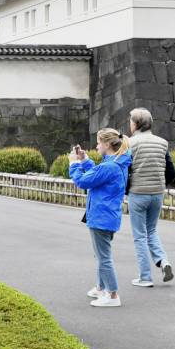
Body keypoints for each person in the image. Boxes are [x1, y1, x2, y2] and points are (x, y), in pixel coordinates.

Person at [70, 128, 132, 308]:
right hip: (107, 216)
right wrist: (85, 160)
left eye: (98, 143)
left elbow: (83, 181)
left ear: (106, 144)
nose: (96, 146)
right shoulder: (116, 163)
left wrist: (74, 164)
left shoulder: (109, 166)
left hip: (101, 217)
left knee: (103, 257)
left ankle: (112, 294)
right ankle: (101, 287)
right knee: (101, 254)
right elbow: (96, 176)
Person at [126, 108, 175, 287]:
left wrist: (126, 189)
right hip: (157, 193)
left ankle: (145, 277)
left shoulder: (130, 143)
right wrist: (161, 184)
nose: (130, 124)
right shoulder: (162, 143)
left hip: (138, 193)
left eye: (131, 121)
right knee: (152, 231)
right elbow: (171, 170)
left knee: (139, 236)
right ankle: (164, 262)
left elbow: (126, 170)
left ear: (136, 124)